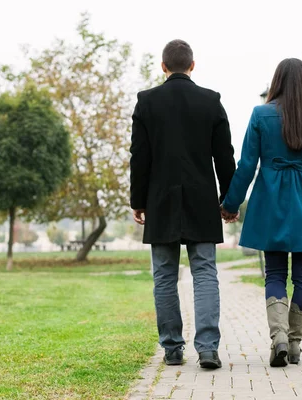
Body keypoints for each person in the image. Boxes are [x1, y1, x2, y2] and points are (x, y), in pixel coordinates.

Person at [221, 58, 302, 368]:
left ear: (277, 81)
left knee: (276, 273)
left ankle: (278, 337)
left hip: (270, 200)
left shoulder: (260, 114)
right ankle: (294, 344)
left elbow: (246, 165)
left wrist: (229, 204)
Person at [129, 40, 236, 369]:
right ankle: (207, 349)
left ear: (163, 67)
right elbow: (224, 157)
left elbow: (140, 157)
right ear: (192, 66)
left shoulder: (147, 102)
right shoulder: (211, 101)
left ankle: (172, 349)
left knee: (164, 276)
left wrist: (138, 200)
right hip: (201, 200)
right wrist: (228, 200)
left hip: (160, 201)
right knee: (205, 273)